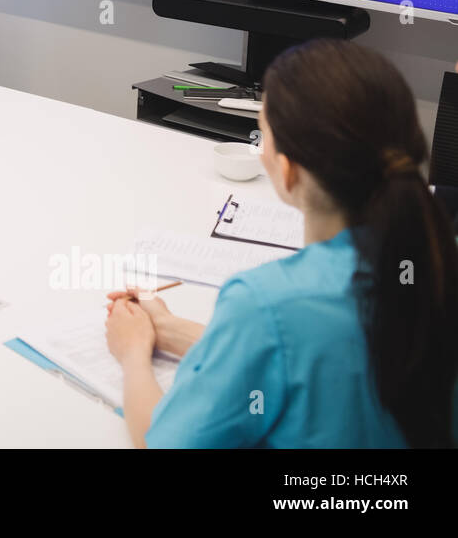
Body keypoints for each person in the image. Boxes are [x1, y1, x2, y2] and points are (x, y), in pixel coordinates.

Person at [106, 39, 458, 447]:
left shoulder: (265, 302)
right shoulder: (434, 256)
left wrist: (133, 356)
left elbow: (161, 442)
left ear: (287, 173)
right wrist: (169, 330)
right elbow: (323, 358)